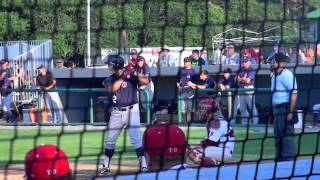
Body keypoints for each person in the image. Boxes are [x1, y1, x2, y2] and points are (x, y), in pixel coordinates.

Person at [99, 55, 149, 175]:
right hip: (116, 112)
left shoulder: (131, 76)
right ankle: (106, 166)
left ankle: (144, 166)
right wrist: (123, 77)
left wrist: (134, 73)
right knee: (110, 140)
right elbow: (112, 89)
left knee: (136, 139)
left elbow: (146, 81)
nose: (108, 67)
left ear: (116, 65)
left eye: (110, 64)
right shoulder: (109, 79)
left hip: (133, 110)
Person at [187, 99, 235, 166]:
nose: (201, 112)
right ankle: (216, 162)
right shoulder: (214, 121)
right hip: (220, 150)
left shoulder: (216, 122)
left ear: (211, 112)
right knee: (193, 152)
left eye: (203, 110)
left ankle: (215, 163)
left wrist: (194, 147)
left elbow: (211, 143)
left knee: (193, 153)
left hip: (224, 151)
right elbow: (207, 141)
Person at [271, 53, 298, 161]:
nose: (272, 63)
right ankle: (280, 158)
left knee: (287, 136)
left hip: (285, 109)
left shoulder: (287, 75)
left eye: (274, 61)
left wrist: (290, 112)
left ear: (280, 63)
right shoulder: (274, 75)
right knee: (278, 136)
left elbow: (294, 93)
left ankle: (289, 160)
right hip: (277, 110)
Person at [237, 58, 259, 125]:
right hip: (241, 89)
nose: (244, 63)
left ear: (249, 62)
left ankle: (255, 123)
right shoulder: (241, 70)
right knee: (242, 108)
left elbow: (248, 81)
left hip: (249, 89)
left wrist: (242, 79)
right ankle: (245, 123)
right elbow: (237, 80)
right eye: (243, 62)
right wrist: (242, 79)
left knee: (252, 107)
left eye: (245, 62)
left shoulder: (251, 70)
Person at [177, 57, 197, 123]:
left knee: (190, 107)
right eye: (185, 61)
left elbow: (196, 83)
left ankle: (191, 122)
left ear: (190, 63)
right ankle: (185, 122)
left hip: (190, 91)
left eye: (187, 61)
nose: (185, 63)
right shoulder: (181, 70)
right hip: (182, 91)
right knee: (182, 108)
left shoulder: (193, 71)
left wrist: (192, 84)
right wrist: (178, 86)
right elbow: (177, 80)